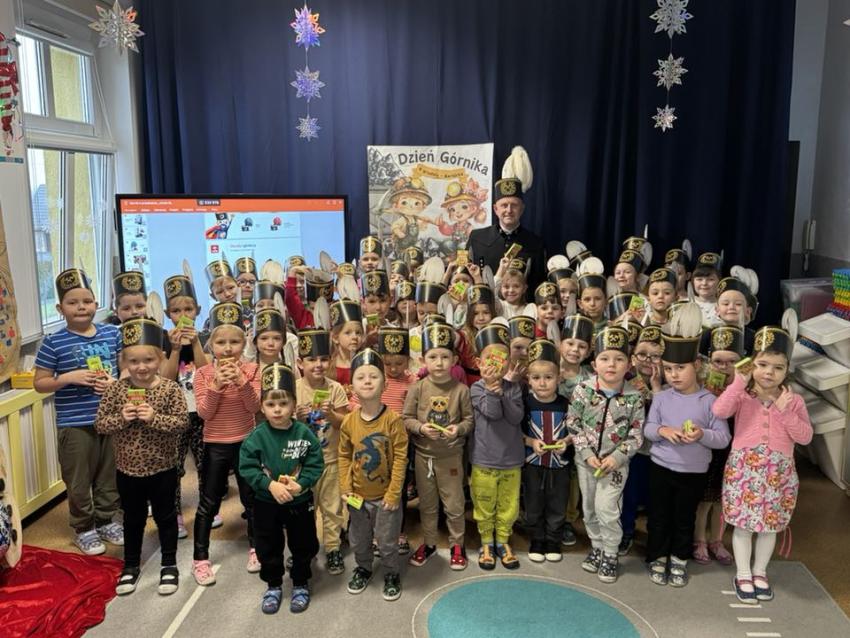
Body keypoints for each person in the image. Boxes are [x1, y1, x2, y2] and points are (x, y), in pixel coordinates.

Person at [713, 325, 812, 604]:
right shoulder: (743, 395)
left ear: (787, 370)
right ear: (751, 364)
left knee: (770, 526)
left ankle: (760, 572)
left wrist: (784, 410)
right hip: (744, 469)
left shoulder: (794, 401)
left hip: (779, 474)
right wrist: (737, 383)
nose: (769, 372)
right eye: (762, 364)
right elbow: (719, 411)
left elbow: (805, 437)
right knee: (743, 525)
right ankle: (743, 573)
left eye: (778, 368)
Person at [94, 318, 189, 596]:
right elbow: (101, 424)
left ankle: (169, 564)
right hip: (128, 471)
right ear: (124, 362)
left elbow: (181, 423)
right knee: (133, 519)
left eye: (148, 360)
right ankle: (131, 565)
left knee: (166, 517)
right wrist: (121, 418)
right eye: (133, 361)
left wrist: (154, 417)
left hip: (163, 468)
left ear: (160, 358)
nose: (141, 367)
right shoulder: (116, 390)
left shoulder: (170, 389)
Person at [34, 268, 123, 555]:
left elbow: (126, 370)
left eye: (86, 301)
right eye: (72, 302)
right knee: (78, 480)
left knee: (108, 475)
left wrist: (115, 383)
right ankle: (83, 527)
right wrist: (68, 377)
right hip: (75, 423)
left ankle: (106, 520)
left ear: (96, 304)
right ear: (60, 309)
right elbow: (40, 383)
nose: (81, 307)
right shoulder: (53, 342)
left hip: (111, 419)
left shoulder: (112, 333)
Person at [643, 306, 731, 587]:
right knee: (659, 516)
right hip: (660, 468)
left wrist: (701, 434)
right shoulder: (661, 397)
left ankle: (679, 559)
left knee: (684, 518)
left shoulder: (709, 401)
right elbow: (648, 429)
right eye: (668, 369)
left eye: (680, 368)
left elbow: (723, 438)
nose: (673, 375)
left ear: (697, 365)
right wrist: (663, 431)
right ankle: (657, 556)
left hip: (693, 473)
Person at [239, 363, 324, 615]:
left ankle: (300, 582)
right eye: (271, 404)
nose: (277, 410)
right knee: (267, 545)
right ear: (262, 407)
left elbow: (315, 463)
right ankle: (274, 584)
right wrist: (270, 485)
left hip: (299, 502)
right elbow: (247, 467)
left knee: (304, 543)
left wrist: (302, 483)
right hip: (266, 502)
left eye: (284, 403)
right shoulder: (256, 437)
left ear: (294, 405)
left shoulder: (304, 433)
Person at [567, 326, 645, 584]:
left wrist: (617, 458)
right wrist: (586, 453)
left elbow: (636, 434)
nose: (611, 364)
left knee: (607, 509)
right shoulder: (583, 390)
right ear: (594, 364)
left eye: (619, 359)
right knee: (589, 507)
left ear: (629, 364)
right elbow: (573, 423)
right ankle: (597, 547)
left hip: (615, 466)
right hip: (586, 462)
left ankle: (611, 553)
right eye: (605, 358)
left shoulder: (634, 397)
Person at [191, 302, 261, 586]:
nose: (228, 348)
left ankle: (256, 547)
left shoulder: (253, 370)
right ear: (211, 345)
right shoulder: (203, 374)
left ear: (244, 344)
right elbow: (204, 413)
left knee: (251, 499)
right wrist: (217, 386)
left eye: (234, 342)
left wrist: (242, 382)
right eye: (221, 342)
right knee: (208, 502)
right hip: (215, 445)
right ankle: (200, 558)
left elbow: (254, 407)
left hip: (246, 443)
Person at [339, 349, 409, 602]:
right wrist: (345, 488)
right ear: (352, 386)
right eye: (361, 377)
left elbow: (401, 458)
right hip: (357, 497)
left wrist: (394, 493)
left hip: (385, 498)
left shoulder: (393, 421)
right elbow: (344, 456)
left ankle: (391, 572)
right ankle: (364, 567)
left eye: (373, 376)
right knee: (359, 539)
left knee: (387, 541)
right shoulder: (349, 421)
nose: (367, 381)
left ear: (385, 384)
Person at [403, 322, 474, 570]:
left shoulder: (461, 390)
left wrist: (459, 429)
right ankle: (430, 543)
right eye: (433, 357)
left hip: (451, 457)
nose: (439, 363)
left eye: (445, 357)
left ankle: (457, 545)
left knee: (454, 504)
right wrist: (421, 428)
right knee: (428, 504)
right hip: (424, 457)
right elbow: (407, 418)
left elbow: (469, 420)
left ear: (454, 360)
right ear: (423, 360)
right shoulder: (417, 388)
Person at [161, 273, 220, 537]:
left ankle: (209, 507)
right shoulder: (164, 339)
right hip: (174, 414)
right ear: (167, 314)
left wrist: (194, 342)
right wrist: (175, 349)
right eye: (176, 311)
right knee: (173, 466)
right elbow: (165, 378)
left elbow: (207, 373)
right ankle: (174, 514)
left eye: (188, 309)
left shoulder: (205, 335)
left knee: (205, 463)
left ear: (197, 310)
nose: (183, 315)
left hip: (202, 411)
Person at [295, 327, 350, 576]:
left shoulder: (335, 388)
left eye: (324, 359)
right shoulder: (295, 388)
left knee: (332, 508)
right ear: (300, 363)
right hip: (303, 465)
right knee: (305, 510)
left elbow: (344, 423)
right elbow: (285, 427)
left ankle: (333, 548)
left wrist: (331, 414)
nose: (318, 365)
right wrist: (297, 418)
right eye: (311, 359)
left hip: (331, 461)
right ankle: (304, 550)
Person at [469, 322, 525, 570]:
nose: (496, 363)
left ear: (509, 362)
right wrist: (492, 391)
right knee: (484, 502)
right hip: (484, 458)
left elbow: (515, 417)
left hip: (511, 459)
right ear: (478, 363)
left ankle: (502, 541)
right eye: (489, 358)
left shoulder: (514, 387)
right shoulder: (475, 388)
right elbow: (491, 413)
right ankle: (486, 542)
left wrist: (503, 392)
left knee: (508, 504)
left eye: (502, 358)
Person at [693, 325, 745, 566]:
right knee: (704, 500)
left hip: (734, 452)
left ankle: (717, 540)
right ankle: (699, 540)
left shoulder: (747, 389)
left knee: (722, 501)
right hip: (707, 450)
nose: (724, 367)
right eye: (718, 362)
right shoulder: (702, 387)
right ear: (709, 362)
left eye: (731, 362)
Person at [523, 338, 572, 563]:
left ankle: (553, 540)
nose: (542, 383)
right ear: (528, 379)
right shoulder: (525, 403)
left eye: (548, 377)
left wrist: (567, 442)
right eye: (536, 378)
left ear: (559, 378)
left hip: (559, 466)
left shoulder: (566, 404)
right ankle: (537, 539)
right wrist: (531, 442)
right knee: (533, 503)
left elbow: (576, 430)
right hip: (533, 464)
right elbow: (517, 432)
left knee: (557, 504)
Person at [619, 326, 664, 555]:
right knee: (629, 494)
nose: (648, 360)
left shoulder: (671, 384)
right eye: (642, 354)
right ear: (633, 357)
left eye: (655, 356)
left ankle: (655, 538)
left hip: (659, 452)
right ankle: (626, 531)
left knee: (656, 498)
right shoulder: (623, 382)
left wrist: (656, 390)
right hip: (632, 451)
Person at [468, 176, 547, 299]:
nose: (509, 210)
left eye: (514, 205)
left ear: (522, 209)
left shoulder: (535, 243)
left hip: (522, 309)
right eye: (504, 205)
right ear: (495, 209)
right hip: (484, 308)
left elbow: (539, 285)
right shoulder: (477, 238)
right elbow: (463, 278)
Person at [557, 314, 594, 547]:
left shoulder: (590, 378)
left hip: (577, 438)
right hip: (549, 435)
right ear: (560, 344)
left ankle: (569, 519)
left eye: (581, 346)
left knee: (572, 480)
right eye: (570, 343)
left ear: (588, 351)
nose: (574, 350)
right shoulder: (550, 370)